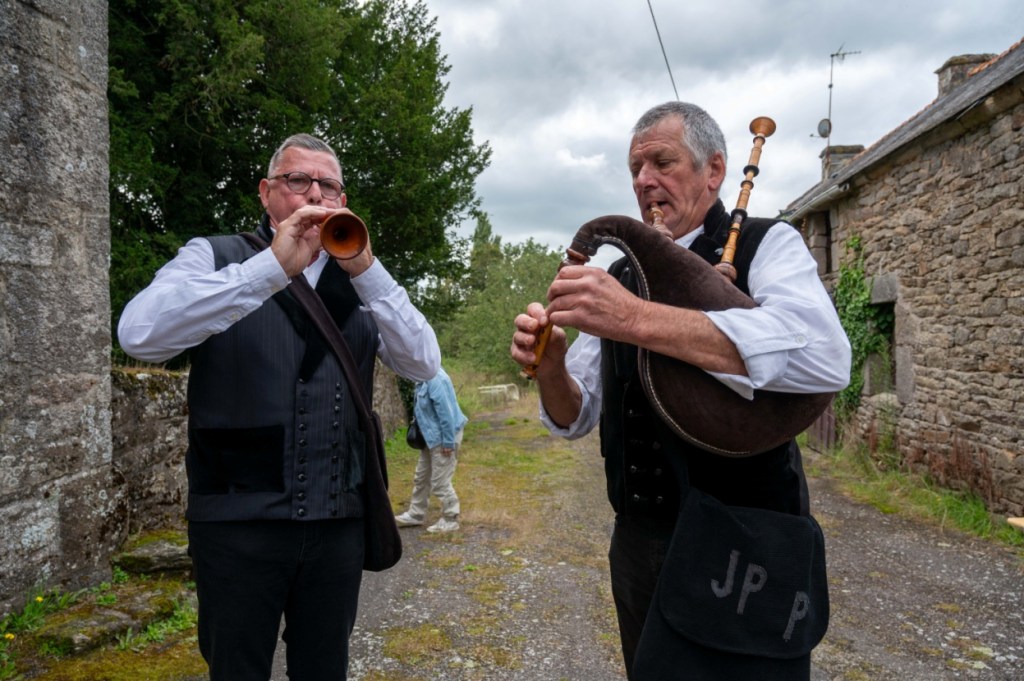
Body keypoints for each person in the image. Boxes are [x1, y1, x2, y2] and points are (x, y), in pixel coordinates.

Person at [510, 102, 851, 680]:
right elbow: (578, 414)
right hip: (641, 546)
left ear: (714, 170)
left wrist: (637, 319)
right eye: (635, 168)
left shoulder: (769, 244)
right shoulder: (619, 278)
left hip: (747, 544)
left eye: (662, 161)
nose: (645, 180)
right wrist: (551, 368)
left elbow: (824, 357)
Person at [118, 133, 440, 681]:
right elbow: (139, 334)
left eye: (329, 184)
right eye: (298, 181)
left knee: (325, 668)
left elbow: (423, 362)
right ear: (267, 193)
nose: (314, 192)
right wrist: (270, 268)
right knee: (236, 668)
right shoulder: (214, 256)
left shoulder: (362, 282)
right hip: (237, 521)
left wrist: (367, 269)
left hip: (338, 521)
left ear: (343, 199)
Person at [394, 365, 468, 533]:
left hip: (444, 437)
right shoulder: (421, 377)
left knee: (440, 482)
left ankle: (451, 519)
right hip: (431, 437)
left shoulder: (435, 379)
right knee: (421, 477)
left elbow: (446, 414)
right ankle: (416, 514)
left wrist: (448, 442)